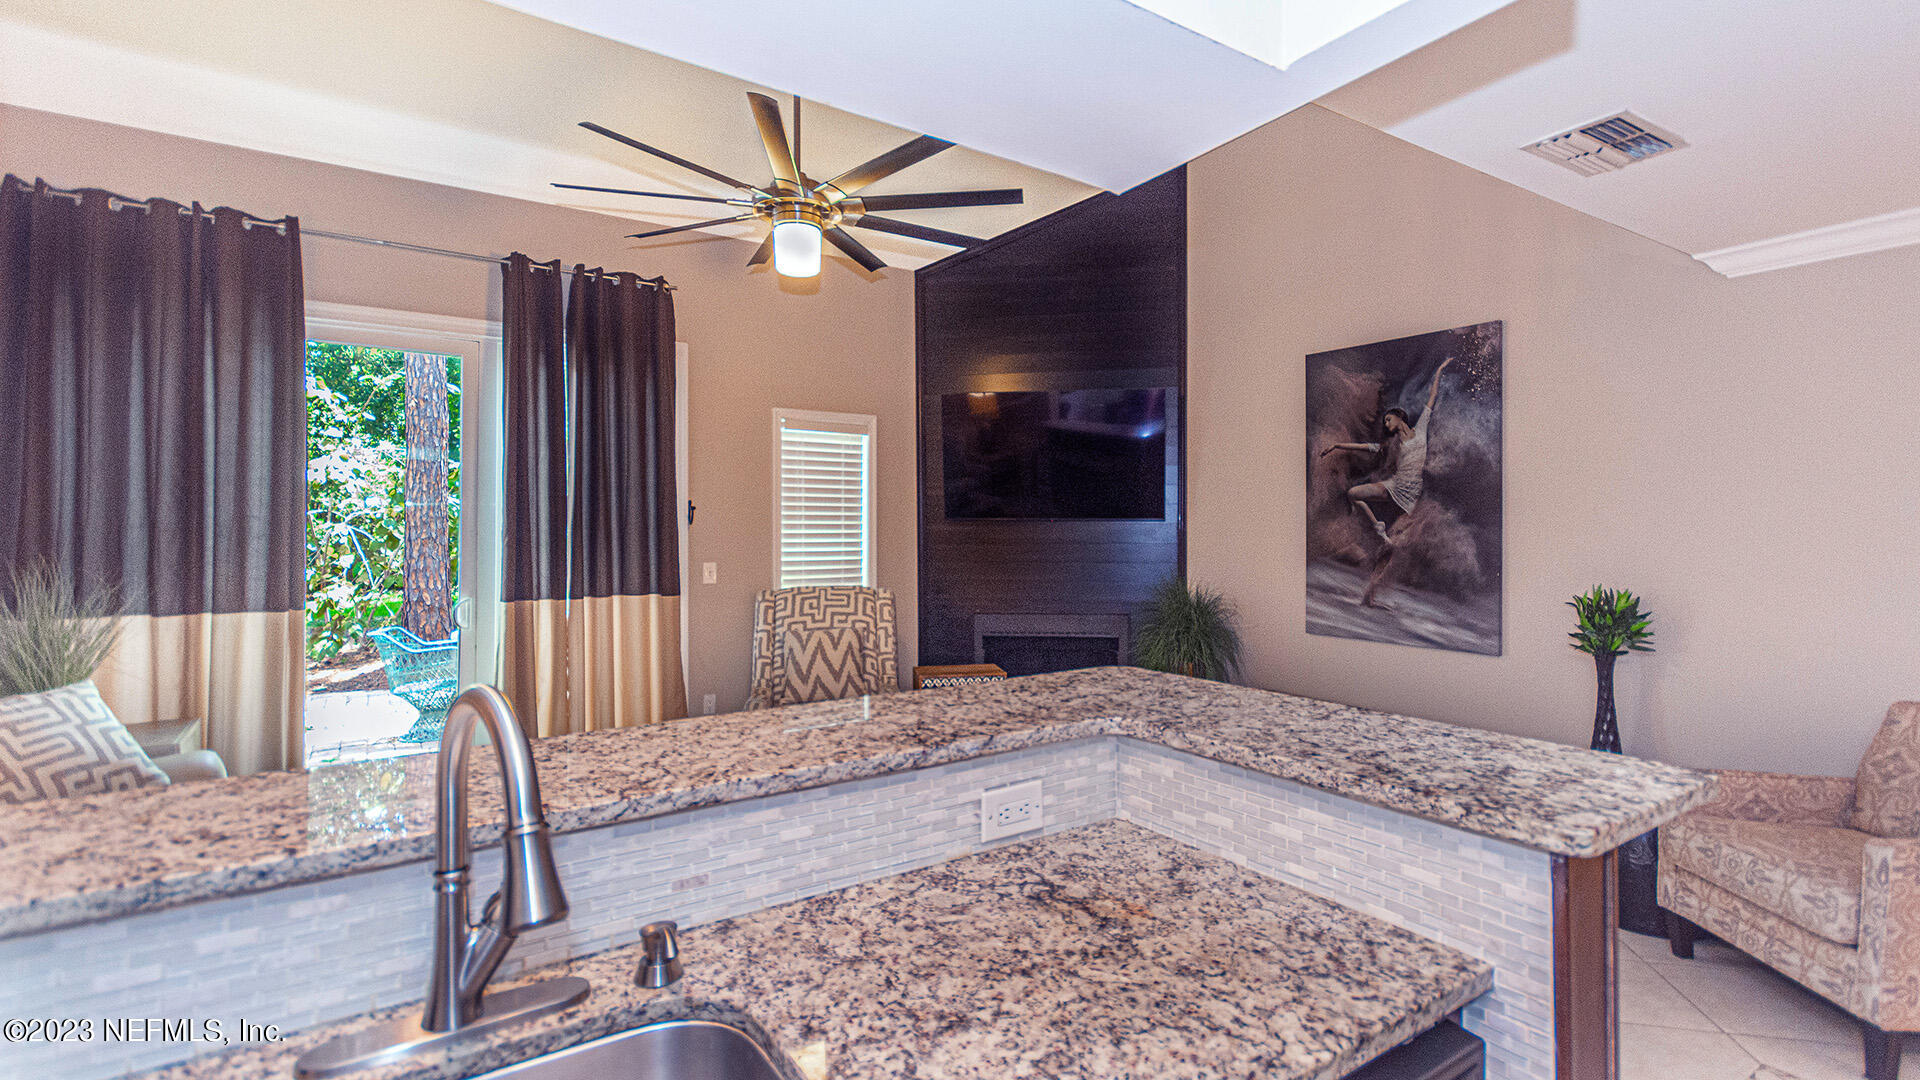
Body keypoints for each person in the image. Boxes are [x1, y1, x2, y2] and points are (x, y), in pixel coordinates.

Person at [1320, 356, 1452, 547]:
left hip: (1412, 490)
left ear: (1400, 417)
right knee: (1353, 493)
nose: (1387, 424)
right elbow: (1367, 447)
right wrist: (1338, 445)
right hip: (1394, 485)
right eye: (1385, 422)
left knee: (1410, 534)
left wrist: (1440, 369)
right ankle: (1378, 527)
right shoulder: (1392, 443)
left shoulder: (1421, 428)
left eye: (1389, 419)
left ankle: (1391, 547)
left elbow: (1433, 395)